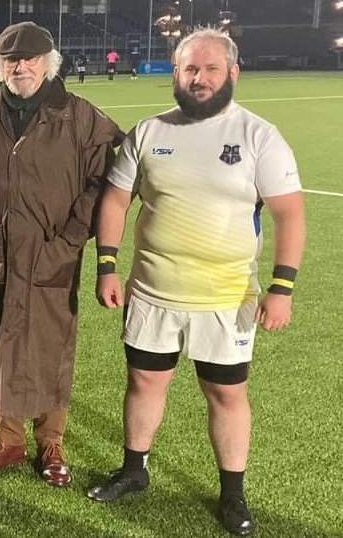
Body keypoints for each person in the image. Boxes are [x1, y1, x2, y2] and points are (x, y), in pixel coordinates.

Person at [86, 29, 305, 537]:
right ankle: (134, 469)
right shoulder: (149, 132)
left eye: (209, 69)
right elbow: (116, 200)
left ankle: (232, 493)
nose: (198, 78)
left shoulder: (258, 135)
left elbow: (289, 215)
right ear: (176, 73)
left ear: (233, 73)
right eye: (190, 69)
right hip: (152, 291)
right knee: (144, 382)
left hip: (226, 298)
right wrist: (107, 265)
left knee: (226, 394)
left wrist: (282, 287)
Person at [0, 21, 121, 488]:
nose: (19, 66)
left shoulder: (80, 117)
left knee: (49, 348)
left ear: (48, 62)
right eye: (9, 60)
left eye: (29, 58)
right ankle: (7, 439)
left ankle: (51, 442)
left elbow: (104, 181)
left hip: (52, 254)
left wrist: (72, 237)